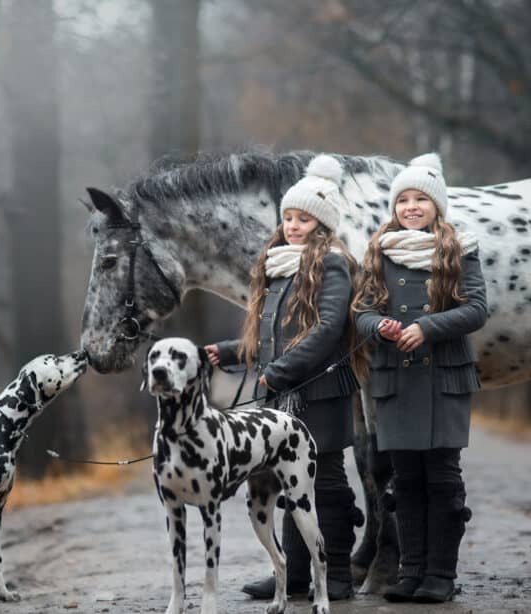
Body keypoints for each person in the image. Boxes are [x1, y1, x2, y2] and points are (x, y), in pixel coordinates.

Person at [205, 154, 363, 601]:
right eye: (289, 217)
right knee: (286, 480)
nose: (293, 225)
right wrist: (233, 352)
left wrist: (277, 373)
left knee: (326, 483)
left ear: (322, 224)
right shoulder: (278, 264)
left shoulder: (332, 263)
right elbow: (274, 334)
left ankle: (335, 578)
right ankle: (293, 576)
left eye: (304, 219)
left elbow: (327, 330)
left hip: (321, 392)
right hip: (284, 391)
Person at [351, 153, 488, 603]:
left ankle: (440, 576)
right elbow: (363, 311)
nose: (411, 207)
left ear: (437, 206)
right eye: (403, 199)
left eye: (421, 200)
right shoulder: (378, 252)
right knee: (404, 480)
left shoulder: (460, 249)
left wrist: (427, 328)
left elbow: (476, 310)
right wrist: (379, 327)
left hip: (443, 381)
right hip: (395, 382)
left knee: (442, 478)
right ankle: (409, 574)